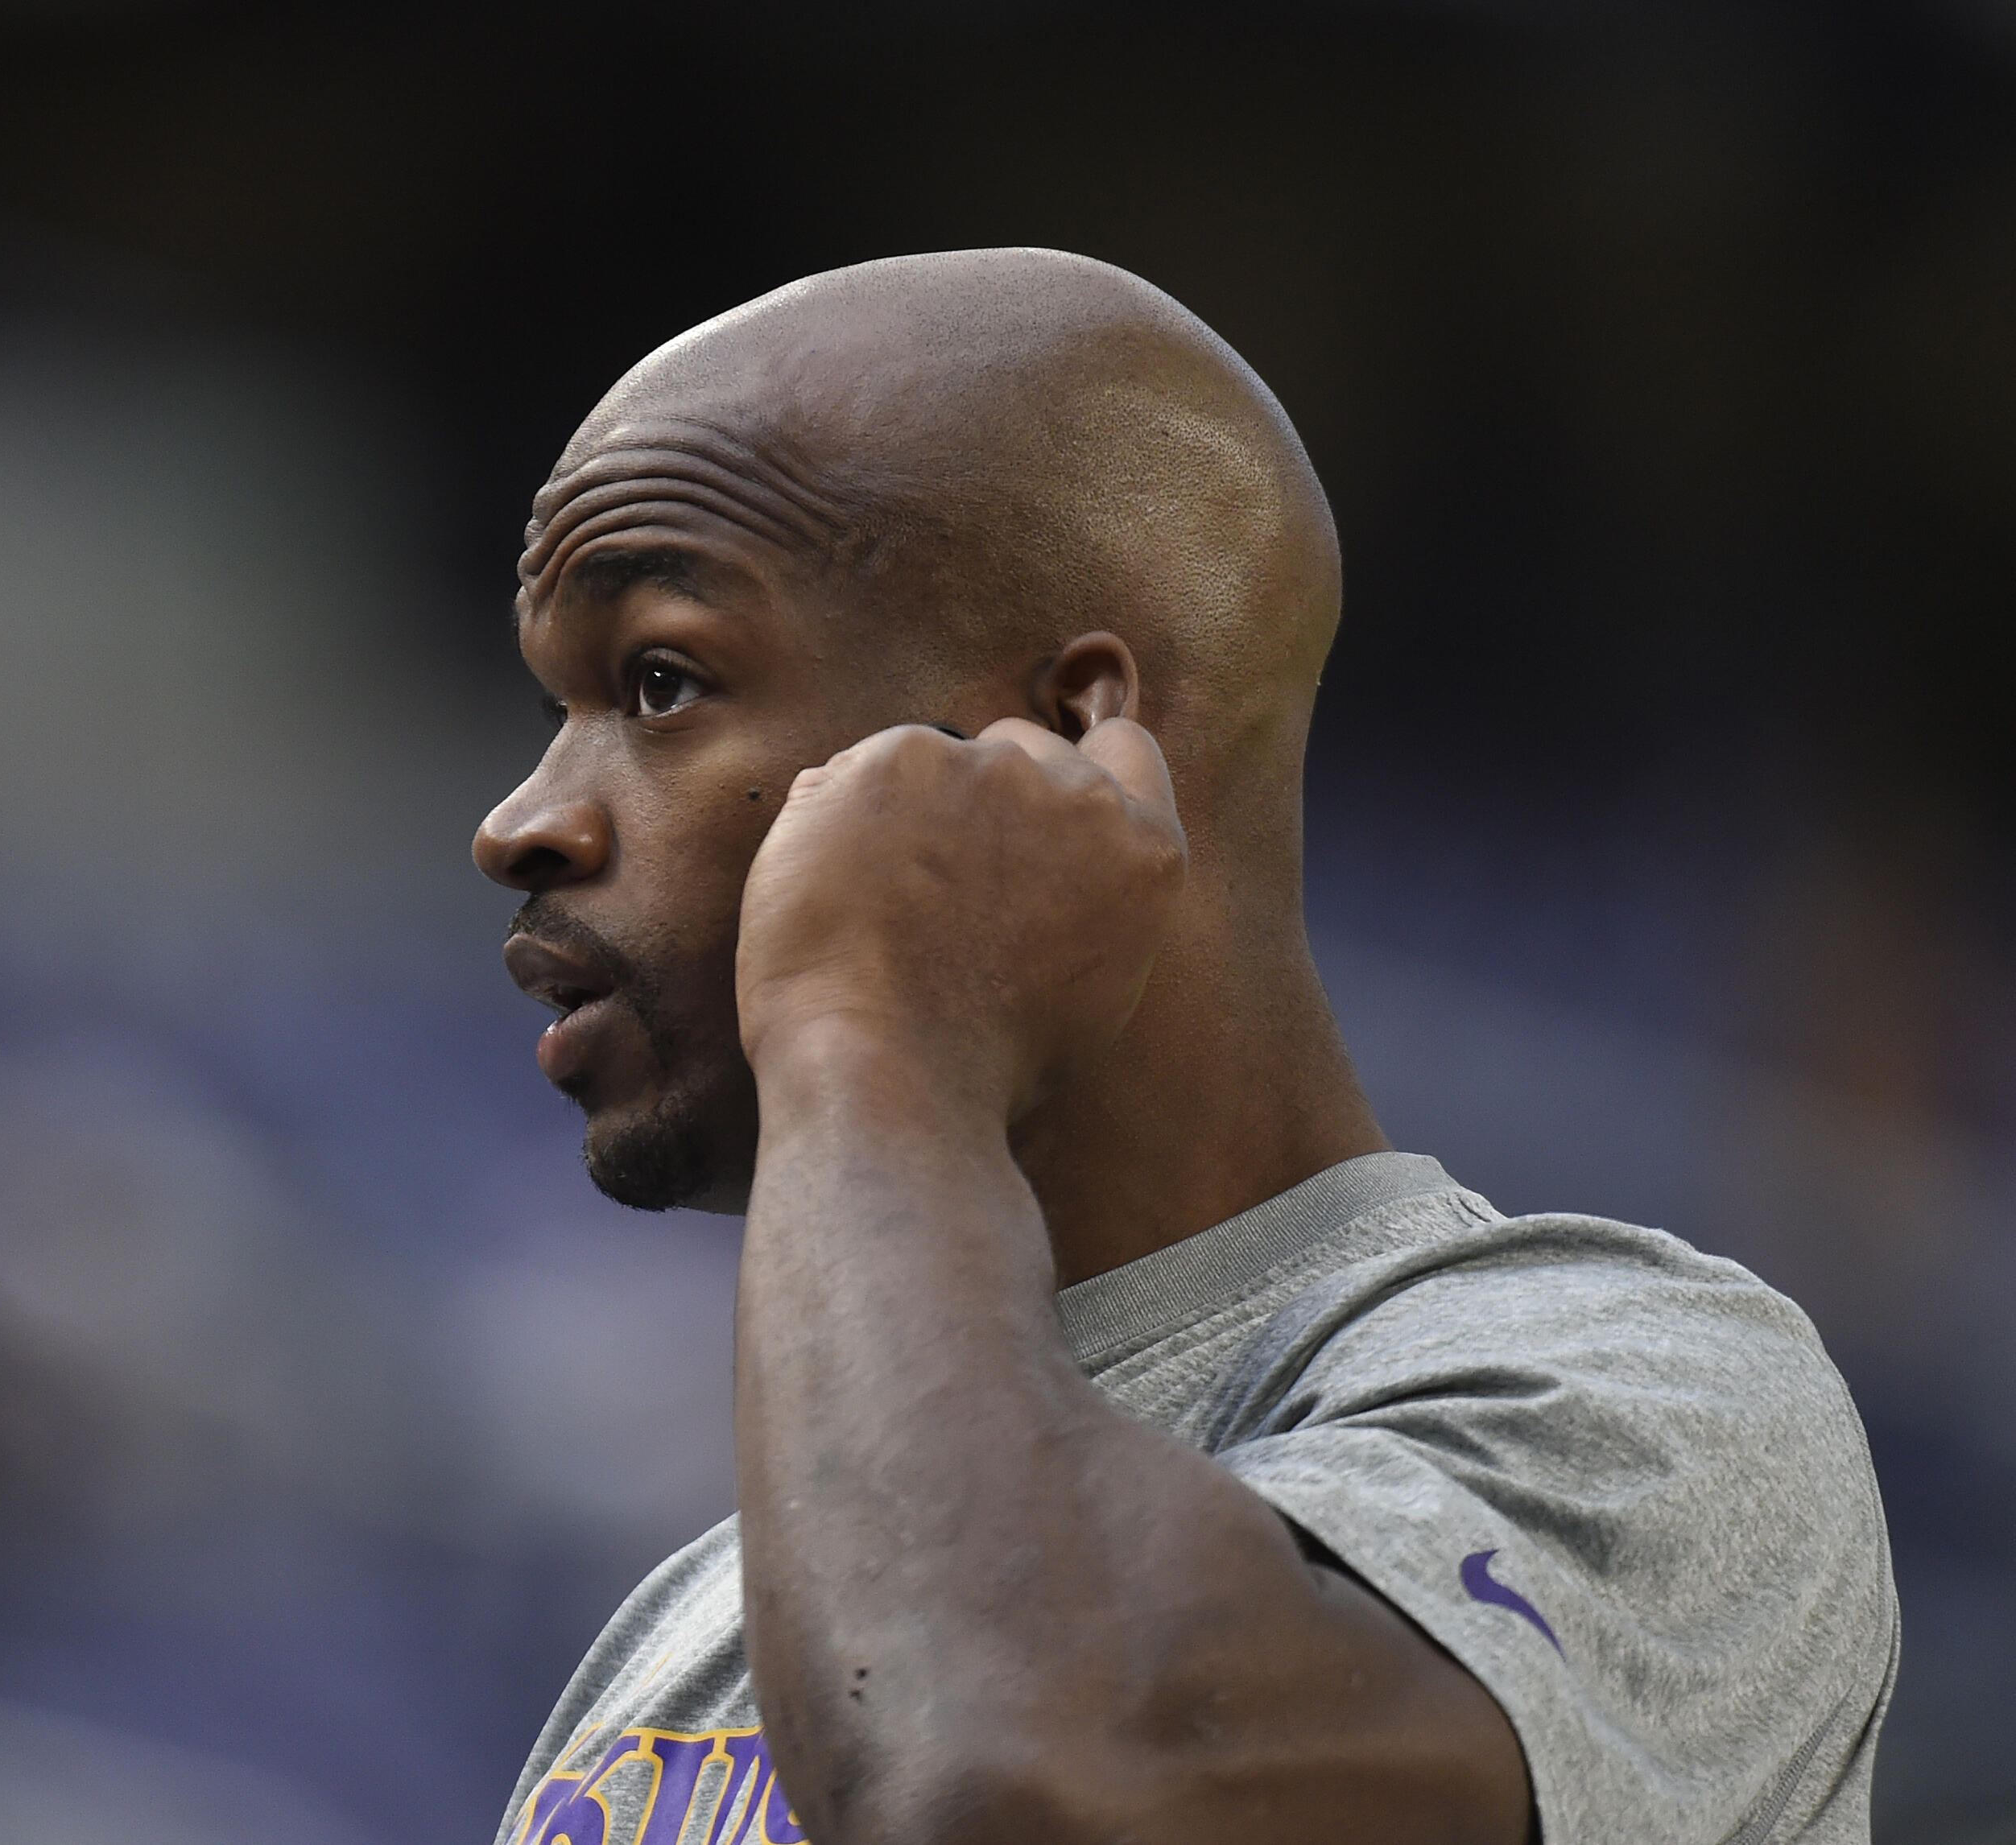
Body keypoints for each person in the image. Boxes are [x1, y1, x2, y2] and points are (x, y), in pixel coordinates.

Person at [472, 249, 1894, 1845]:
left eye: (659, 683)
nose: (520, 824)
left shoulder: (1631, 1399)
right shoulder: (698, 1631)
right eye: (554, 712)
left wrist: (865, 1032)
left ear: (1065, 741)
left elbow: (1023, 1783)